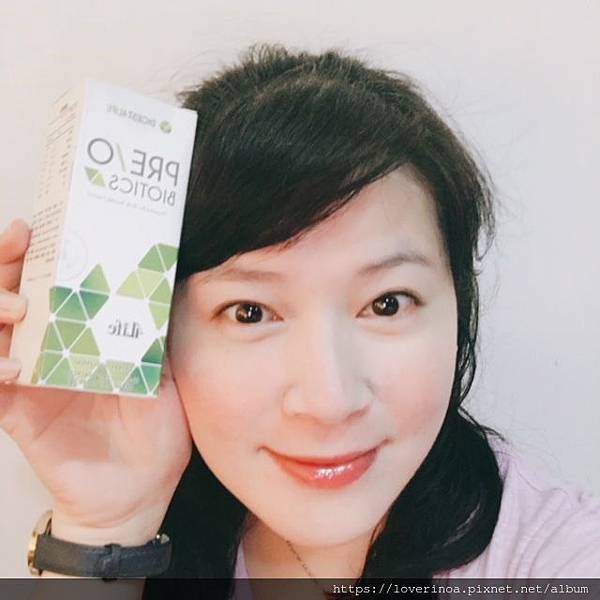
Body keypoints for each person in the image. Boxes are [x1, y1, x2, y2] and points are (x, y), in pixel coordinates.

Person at [1, 44, 599, 599]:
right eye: (250, 312)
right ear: (162, 326)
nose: (329, 401)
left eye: (387, 303)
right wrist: (104, 526)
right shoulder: (164, 524)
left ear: (458, 307)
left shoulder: (555, 557)